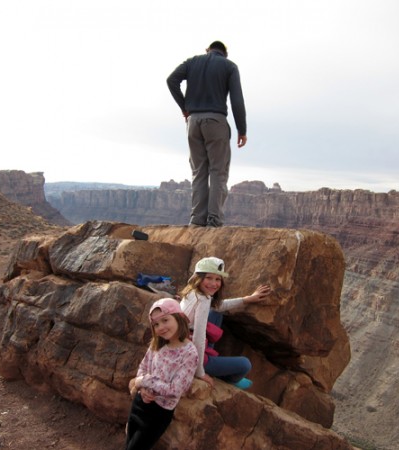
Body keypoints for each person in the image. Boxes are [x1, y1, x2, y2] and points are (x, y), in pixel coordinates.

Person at [167, 41, 247, 227]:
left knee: (198, 171)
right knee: (218, 171)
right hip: (216, 121)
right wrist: (241, 130)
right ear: (224, 53)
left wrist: (185, 107)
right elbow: (237, 100)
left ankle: (196, 220)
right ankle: (213, 221)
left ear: (207, 50)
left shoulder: (192, 61)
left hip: (193, 123)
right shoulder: (229, 66)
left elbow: (171, 80)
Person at [180, 256, 271, 389]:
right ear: (198, 278)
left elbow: (217, 306)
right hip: (192, 356)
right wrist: (200, 373)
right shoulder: (202, 300)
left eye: (218, 279)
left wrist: (246, 299)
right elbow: (198, 338)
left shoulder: (193, 292)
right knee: (245, 364)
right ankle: (230, 379)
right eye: (209, 278)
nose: (214, 283)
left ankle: (210, 353)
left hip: (187, 343)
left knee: (216, 313)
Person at [125, 298, 198, 450]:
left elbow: (175, 390)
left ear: (178, 317)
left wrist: (143, 381)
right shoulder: (157, 344)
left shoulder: (189, 353)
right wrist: (142, 388)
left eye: (165, 320)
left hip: (158, 413)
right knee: (129, 442)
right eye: (156, 324)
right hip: (140, 402)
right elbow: (143, 366)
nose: (161, 327)